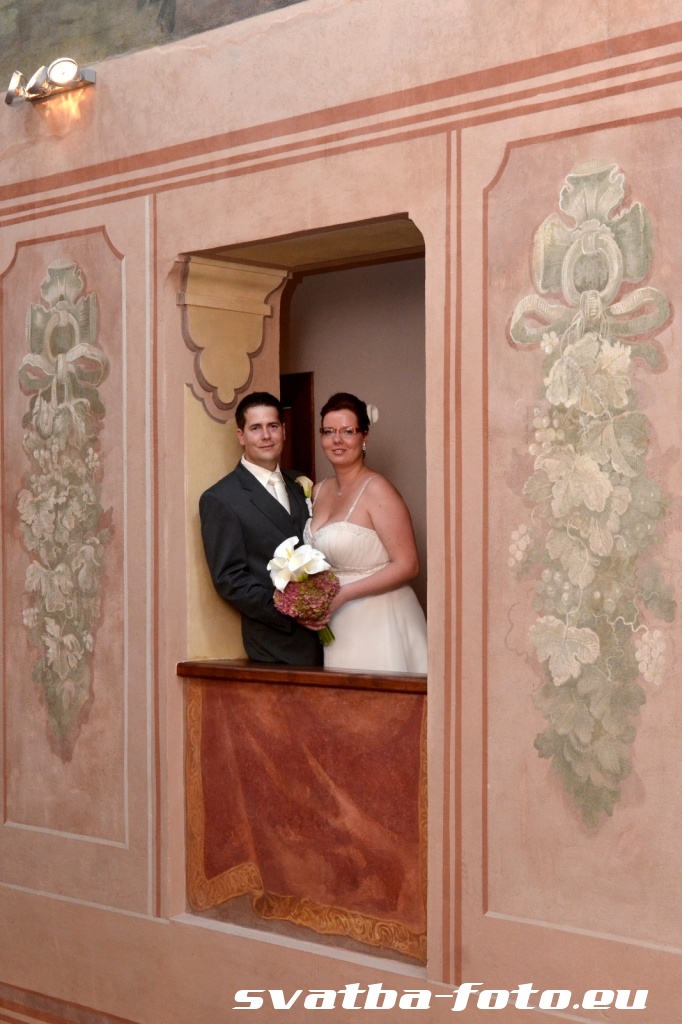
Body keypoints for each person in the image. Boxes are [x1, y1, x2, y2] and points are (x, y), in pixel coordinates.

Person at [303, 392, 427, 673]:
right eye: (329, 432)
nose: (337, 440)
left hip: (379, 619)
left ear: (364, 437)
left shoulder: (378, 489)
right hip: (336, 622)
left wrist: (344, 594)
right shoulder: (318, 490)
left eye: (348, 431)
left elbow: (408, 565)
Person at [199, 391, 323, 665]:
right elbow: (229, 578)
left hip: (325, 638)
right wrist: (292, 611)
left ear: (284, 431)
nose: (266, 436)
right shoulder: (221, 498)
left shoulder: (299, 482)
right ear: (241, 436)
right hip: (275, 644)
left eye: (272, 426)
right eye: (256, 428)